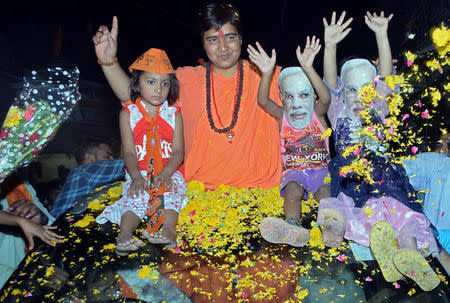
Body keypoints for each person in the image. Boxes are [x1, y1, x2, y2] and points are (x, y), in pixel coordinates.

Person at [92, 3, 282, 190]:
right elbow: (137, 98)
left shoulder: (270, 76)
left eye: (230, 37)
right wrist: (109, 62)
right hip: (198, 196)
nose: (223, 47)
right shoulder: (185, 79)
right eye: (213, 40)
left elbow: (310, 116)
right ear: (203, 43)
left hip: (264, 192)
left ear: (240, 39)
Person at [319, 11, 440, 291]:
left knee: (403, 211)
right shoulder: (339, 111)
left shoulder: (379, 107)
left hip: (387, 179)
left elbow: (385, 76)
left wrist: (382, 34)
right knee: (371, 212)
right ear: (342, 92)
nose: (359, 96)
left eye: (366, 89)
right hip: (355, 182)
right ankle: (387, 251)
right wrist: (330, 44)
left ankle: (407, 252)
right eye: (351, 90)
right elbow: (328, 77)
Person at [96, 48, 187, 256]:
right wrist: (136, 176)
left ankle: (169, 231)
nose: (159, 89)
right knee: (135, 195)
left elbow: (178, 152)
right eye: (151, 82)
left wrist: (165, 175)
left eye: (165, 83)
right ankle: (125, 234)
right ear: (137, 83)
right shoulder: (128, 114)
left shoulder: (174, 114)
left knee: (171, 193)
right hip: (141, 171)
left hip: (169, 170)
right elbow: (128, 153)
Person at [247, 37, 333, 247]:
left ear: (312, 97)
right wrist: (266, 73)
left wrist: (308, 68)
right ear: (282, 98)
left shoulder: (317, 113)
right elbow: (263, 101)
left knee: (324, 193)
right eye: (290, 97)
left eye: (303, 95)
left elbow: (326, 98)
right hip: (293, 171)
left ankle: (331, 228)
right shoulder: (281, 116)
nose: (296, 104)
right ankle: (292, 226)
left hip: (320, 169)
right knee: (293, 191)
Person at [0, 175, 62, 288]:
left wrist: (40, 219)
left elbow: (52, 230)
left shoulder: (18, 184)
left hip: (32, 272)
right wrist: (20, 221)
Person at [50, 137, 124, 218]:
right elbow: (128, 164)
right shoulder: (84, 171)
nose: (112, 159)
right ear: (89, 158)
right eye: (107, 156)